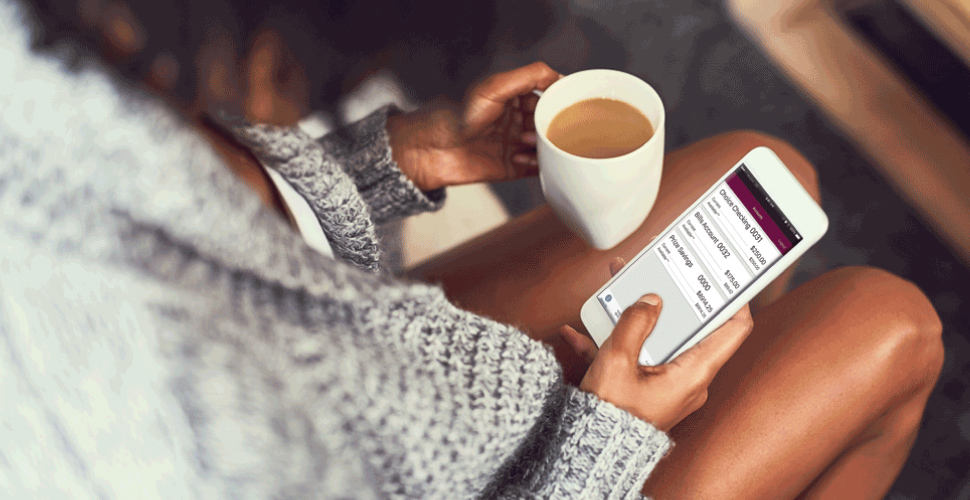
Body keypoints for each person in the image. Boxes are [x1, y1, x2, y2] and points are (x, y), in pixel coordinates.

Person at [0, 0, 942, 499]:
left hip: (402, 368)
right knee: (892, 328)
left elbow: (250, 240)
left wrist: (401, 156)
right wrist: (598, 445)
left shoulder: (61, 53)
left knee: (764, 167)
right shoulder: (125, 441)